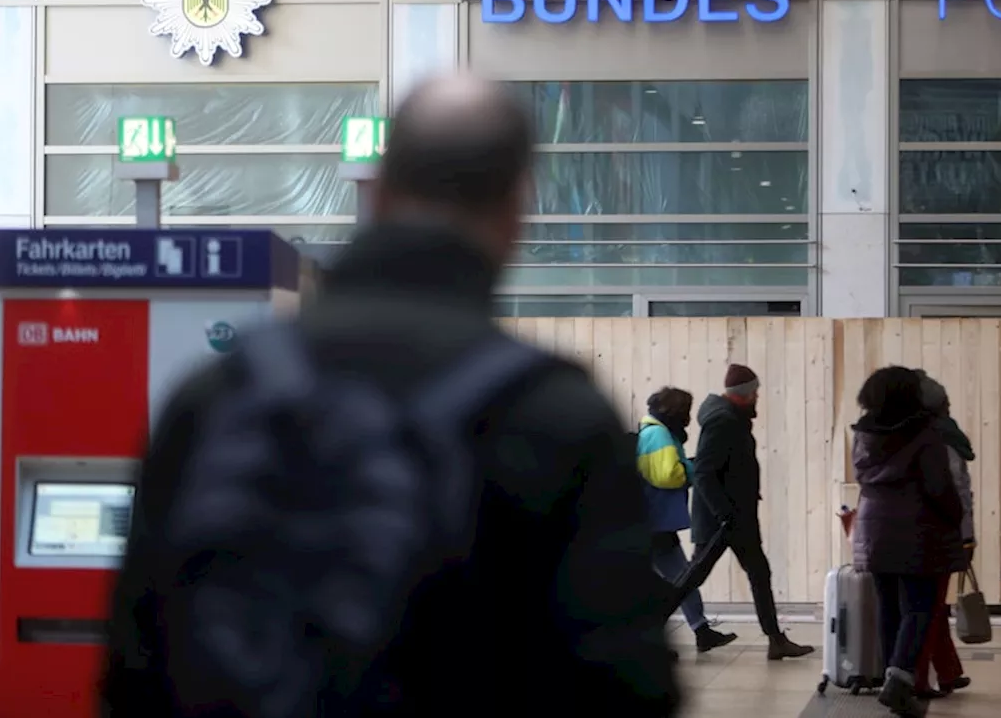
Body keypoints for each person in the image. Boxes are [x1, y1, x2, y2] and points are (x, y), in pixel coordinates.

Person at [101, 75, 681, 717]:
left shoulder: (217, 395)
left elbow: (134, 661)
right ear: (516, 210)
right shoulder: (552, 413)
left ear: (376, 191)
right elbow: (623, 683)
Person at [852, 366, 965, 718]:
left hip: (873, 527)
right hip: (918, 529)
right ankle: (900, 681)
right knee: (919, 607)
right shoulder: (924, 432)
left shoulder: (863, 433)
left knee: (889, 607)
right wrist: (954, 516)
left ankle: (892, 677)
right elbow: (938, 486)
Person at [690, 364, 814, 661]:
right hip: (723, 520)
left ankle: (776, 639)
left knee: (758, 572)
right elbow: (704, 472)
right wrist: (724, 514)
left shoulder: (732, 419)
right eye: (755, 391)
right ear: (744, 396)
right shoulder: (723, 421)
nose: (758, 396)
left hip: (735, 518)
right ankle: (648, 627)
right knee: (693, 576)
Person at [636, 387, 738, 655]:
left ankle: (698, 631)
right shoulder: (657, 434)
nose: (689, 418)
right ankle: (690, 632)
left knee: (679, 579)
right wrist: (696, 469)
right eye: (686, 412)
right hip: (655, 523)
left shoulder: (657, 432)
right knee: (681, 579)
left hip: (654, 522)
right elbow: (668, 474)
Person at [911, 371, 974, 701]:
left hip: (917, 533)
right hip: (937, 532)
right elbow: (958, 492)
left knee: (929, 606)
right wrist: (966, 537)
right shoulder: (943, 436)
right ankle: (933, 676)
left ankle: (939, 673)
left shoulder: (914, 435)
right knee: (930, 606)